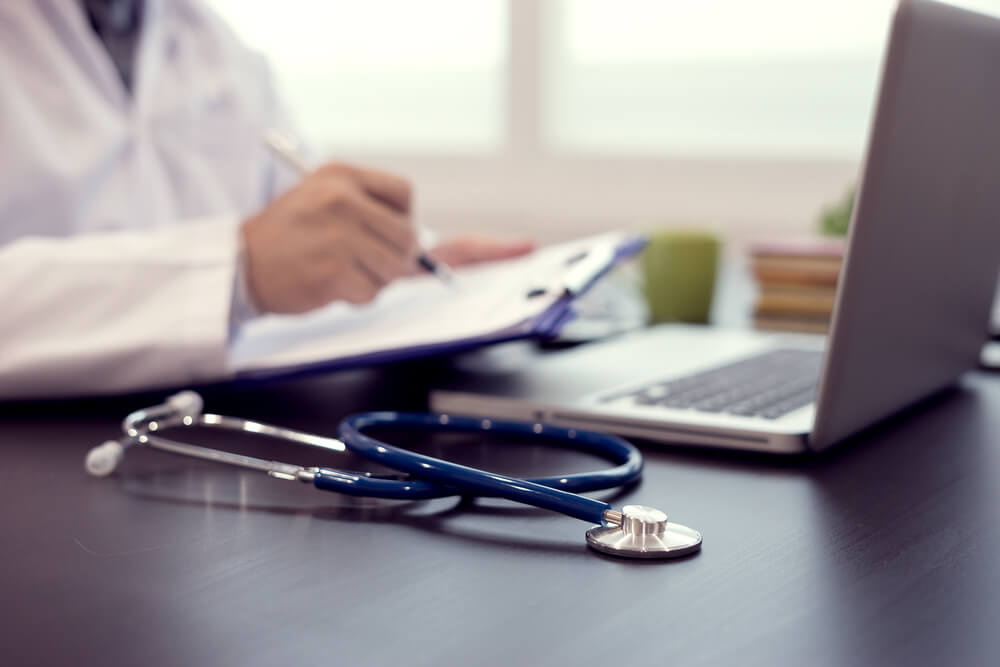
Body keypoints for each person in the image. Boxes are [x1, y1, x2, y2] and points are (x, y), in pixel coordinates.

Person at [0, 0, 532, 399]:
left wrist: (387, 257)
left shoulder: (214, 44)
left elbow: (299, 224)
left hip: (207, 422)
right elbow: (255, 255)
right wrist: (238, 268)